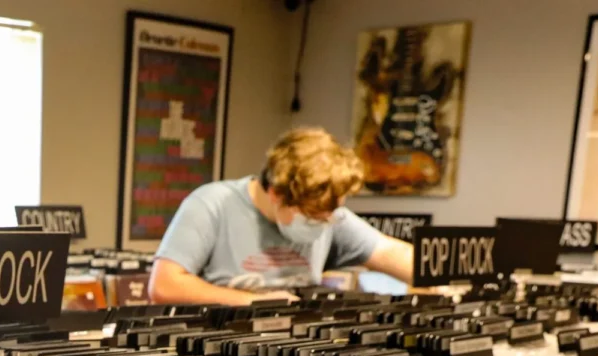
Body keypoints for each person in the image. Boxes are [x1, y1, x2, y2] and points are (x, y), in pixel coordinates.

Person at [148, 127, 415, 306]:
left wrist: (433, 275)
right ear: (276, 194)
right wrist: (254, 302)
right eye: (312, 216)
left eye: (329, 215)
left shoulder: (327, 213)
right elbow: (164, 285)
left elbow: (389, 253)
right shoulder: (211, 204)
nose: (324, 223)